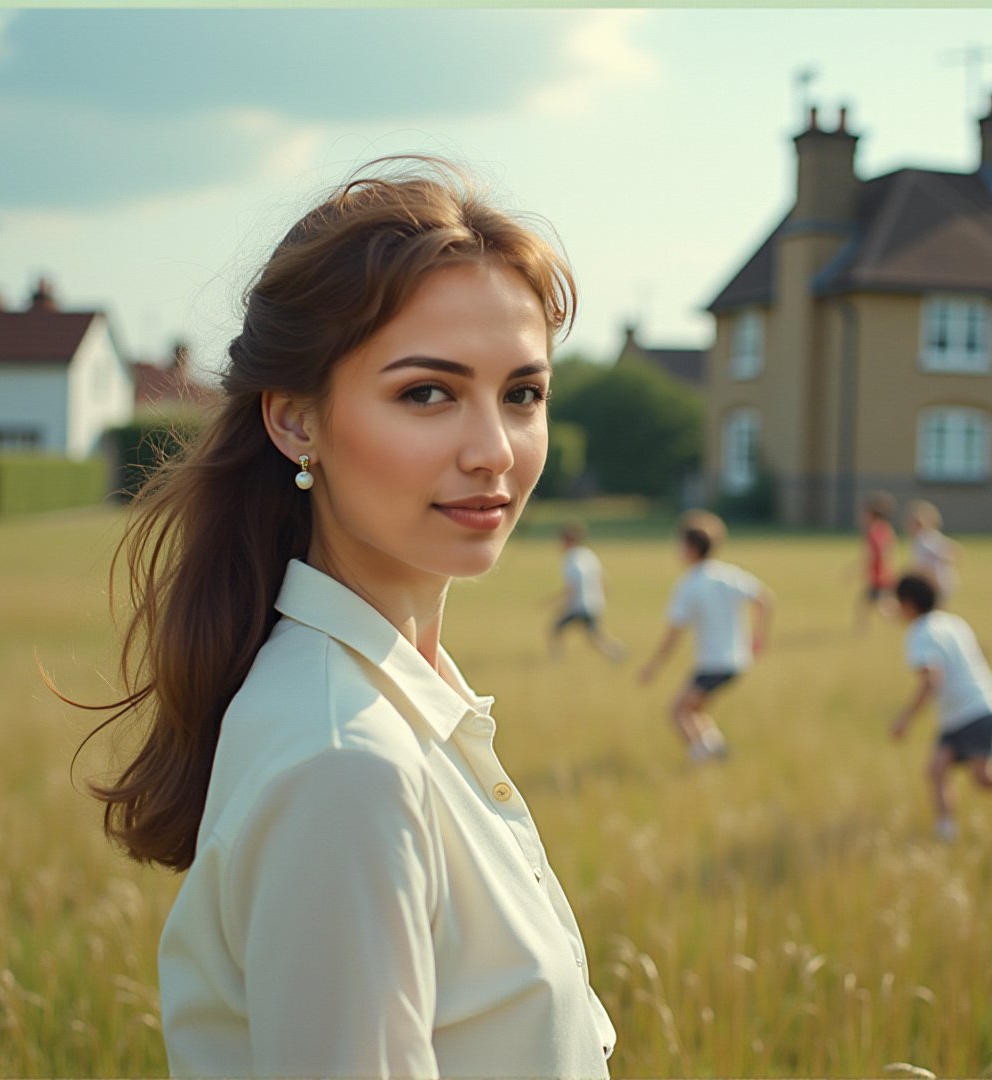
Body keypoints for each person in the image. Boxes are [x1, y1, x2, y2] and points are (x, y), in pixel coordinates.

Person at [74, 160, 614, 1077]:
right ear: (295, 421)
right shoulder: (350, 766)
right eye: (427, 393)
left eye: (522, 394)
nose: (494, 451)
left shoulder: (396, 708)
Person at [889, 574, 992, 842]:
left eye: (897, 602)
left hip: (971, 712)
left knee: (983, 778)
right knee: (937, 770)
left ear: (908, 604)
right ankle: (946, 832)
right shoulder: (951, 622)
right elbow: (979, 653)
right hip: (972, 709)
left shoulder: (919, 634)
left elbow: (931, 680)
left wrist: (904, 719)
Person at [638, 511, 774, 763]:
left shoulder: (689, 585)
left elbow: (673, 636)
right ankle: (717, 749)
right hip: (737, 661)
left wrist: (653, 667)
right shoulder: (729, 574)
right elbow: (765, 600)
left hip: (713, 663)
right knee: (696, 710)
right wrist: (758, 639)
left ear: (690, 549)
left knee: (677, 711)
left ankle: (702, 757)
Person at [548, 521, 626, 661]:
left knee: (556, 629)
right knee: (594, 636)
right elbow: (603, 579)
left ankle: (557, 659)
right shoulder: (588, 555)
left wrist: (560, 603)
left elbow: (573, 587)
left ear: (569, 541)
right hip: (594, 603)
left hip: (580, 606)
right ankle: (616, 652)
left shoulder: (571, 560)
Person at [852, 493, 900, 632]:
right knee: (880, 604)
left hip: (879, 575)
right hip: (885, 573)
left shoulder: (874, 531)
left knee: (872, 604)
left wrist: (864, 569)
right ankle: (863, 628)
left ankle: (862, 629)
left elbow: (876, 553)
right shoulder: (886, 528)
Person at [904, 499, 962, 604]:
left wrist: (940, 562)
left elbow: (951, 551)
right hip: (932, 582)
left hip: (937, 582)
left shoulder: (926, 539)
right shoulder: (922, 539)